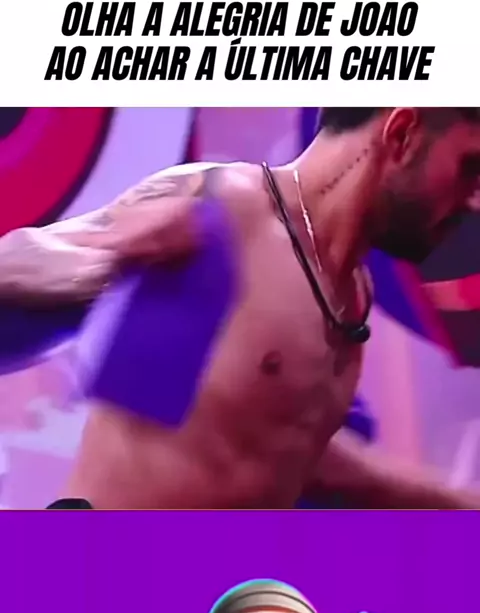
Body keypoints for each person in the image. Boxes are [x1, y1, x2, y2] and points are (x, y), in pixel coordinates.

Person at [2, 108, 480, 509]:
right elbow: (15, 259)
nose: (474, 200)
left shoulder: (352, 294)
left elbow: (285, 455)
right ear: (402, 134)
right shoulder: (222, 203)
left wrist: (458, 505)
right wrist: (107, 269)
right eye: (469, 166)